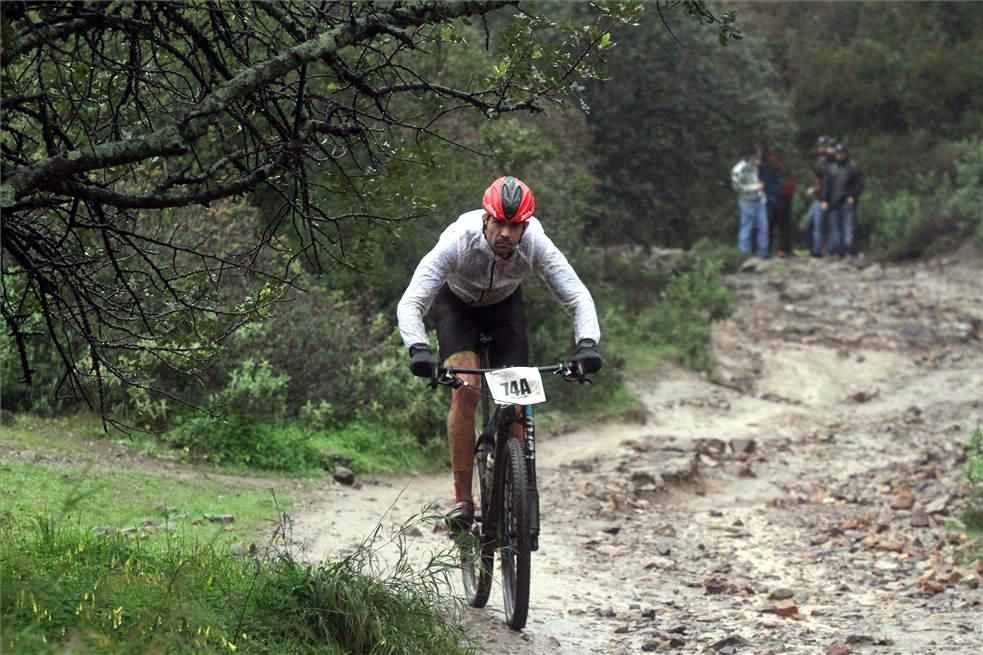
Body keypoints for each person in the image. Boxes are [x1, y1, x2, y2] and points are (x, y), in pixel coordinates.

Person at [396, 176, 603, 530]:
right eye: (499, 223)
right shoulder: (458, 240)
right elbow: (413, 301)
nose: (505, 233)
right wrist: (418, 349)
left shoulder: (536, 242)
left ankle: (517, 489)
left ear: (525, 226)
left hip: (504, 308)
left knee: (517, 402)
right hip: (457, 308)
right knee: (467, 390)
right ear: (485, 219)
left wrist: (587, 344)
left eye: (514, 226)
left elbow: (578, 297)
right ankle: (462, 499)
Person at [822, 143, 865, 256]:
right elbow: (826, 185)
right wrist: (824, 200)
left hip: (847, 201)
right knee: (835, 229)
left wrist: (853, 196)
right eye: (838, 154)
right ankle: (837, 251)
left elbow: (859, 184)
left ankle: (848, 251)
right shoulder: (830, 168)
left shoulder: (853, 167)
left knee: (848, 227)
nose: (840, 156)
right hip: (833, 202)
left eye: (842, 153)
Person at [731, 147, 769, 258]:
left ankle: (764, 253)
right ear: (750, 156)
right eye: (756, 157)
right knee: (746, 229)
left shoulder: (755, 167)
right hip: (747, 202)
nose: (758, 161)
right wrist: (754, 187)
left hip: (759, 200)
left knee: (763, 228)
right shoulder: (738, 169)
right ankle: (744, 255)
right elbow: (736, 187)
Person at [762, 149, 796, 258]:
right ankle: (769, 248)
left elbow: (790, 180)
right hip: (775, 197)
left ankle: (783, 249)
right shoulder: (770, 165)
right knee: (772, 223)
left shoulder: (785, 164)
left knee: (784, 224)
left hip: (785, 196)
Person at [806, 135, 833, 256]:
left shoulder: (831, 161)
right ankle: (813, 248)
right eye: (820, 146)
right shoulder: (821, 160)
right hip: (819, 195)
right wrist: (815, 189)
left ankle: (817, 251)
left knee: (819, 225)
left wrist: (824, 197)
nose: (820, 148)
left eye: (823, 146)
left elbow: (828, 181)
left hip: (825, 198)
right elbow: (820, 179)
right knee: (810, 222)